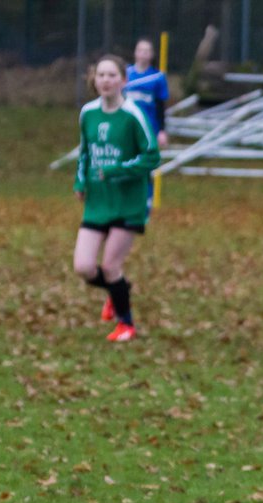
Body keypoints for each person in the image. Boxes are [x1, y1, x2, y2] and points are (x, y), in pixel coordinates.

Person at [73, 55, 161, 342]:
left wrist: (117, 170)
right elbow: (85, 151)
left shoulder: (134, 114)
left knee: (111, 266)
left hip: (128, 201)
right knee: (84, 267)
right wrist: (80, 180)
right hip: (98, 201)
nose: (106, 80)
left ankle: (127, 324)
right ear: (94, 79)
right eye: (101, 75)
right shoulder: (88, 113)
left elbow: (152, 157)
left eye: (112, 75)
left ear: (124, 80)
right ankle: (117, 289)